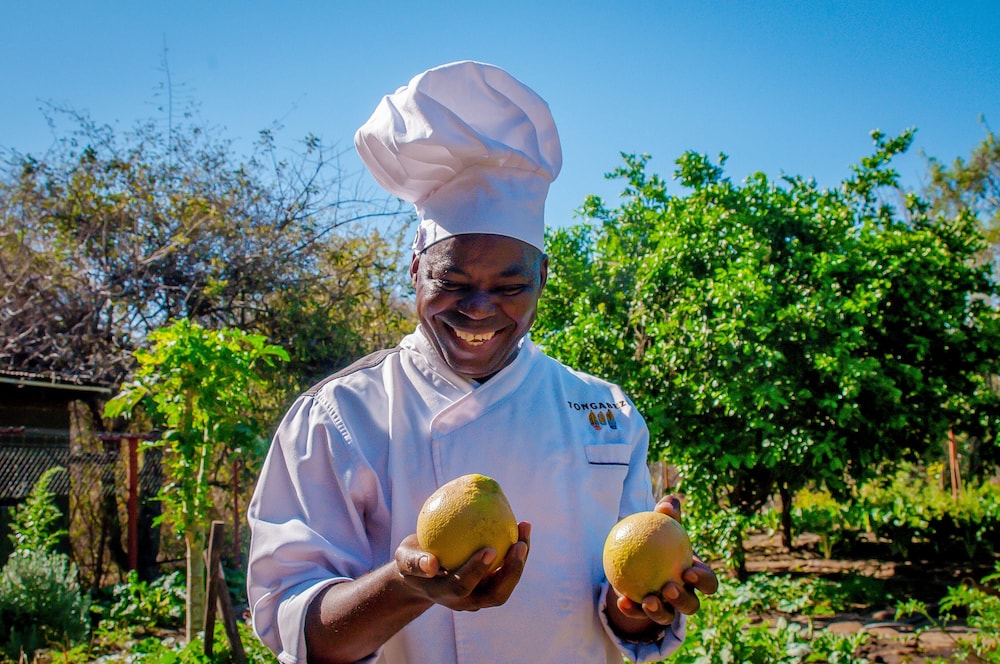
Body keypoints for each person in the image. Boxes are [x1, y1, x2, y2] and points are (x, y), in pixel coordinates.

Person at [246, 60, 718, 664]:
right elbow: (294, 626)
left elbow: (619, 604)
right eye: (452, 281)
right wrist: (407, 588)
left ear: (543, 278)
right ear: (415, 270)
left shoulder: (606, 412)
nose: (478, 309)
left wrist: (640, 610)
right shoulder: (338, 417)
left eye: (510, 287)